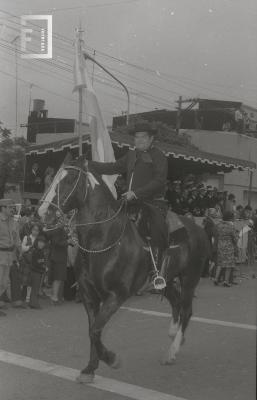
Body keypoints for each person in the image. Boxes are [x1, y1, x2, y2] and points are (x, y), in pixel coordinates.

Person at [88, 122, 168, 257]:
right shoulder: (131, 155)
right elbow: (113, 167)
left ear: (151, 138)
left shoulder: (158, 155)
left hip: (152, 203)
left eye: (143, 137)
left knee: (157, 230)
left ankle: (157, 263)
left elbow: (159, 181)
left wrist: (136, 193)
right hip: (129, 202)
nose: (139, 140)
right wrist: (89, 164)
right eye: (137, 137)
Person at [0, 198, 21, 316]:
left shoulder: (13, 221)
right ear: (3, 208)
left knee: (3, 283)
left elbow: (16, 238)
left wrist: (20, 250)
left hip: (9, 256)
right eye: (9, 207)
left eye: (12, 207)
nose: (12, 209)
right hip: (0, 254)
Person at [213, 211, 238, 287]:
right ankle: (226, 281)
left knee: (220, 263)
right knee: (229, 264)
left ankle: (216, 279)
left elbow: (215, 235)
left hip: (220, 246)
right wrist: (238, 236)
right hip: (229, 247)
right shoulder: (231, 226)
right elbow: (235, 239)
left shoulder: (218, 225)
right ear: (230, 218)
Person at [20, 223, 41, 302]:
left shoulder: (39, 239)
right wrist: (29, 247)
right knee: (24, 279)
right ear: (31, 230)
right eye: (34, 230)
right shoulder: (27, 237)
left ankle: (29, 297)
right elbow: (22, 248)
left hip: (35, 263)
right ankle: (22, 296)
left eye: (37, 230)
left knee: (32, 281)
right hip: (27, 262)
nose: (35, 232)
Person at [29, 235, 47, 309]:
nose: (41, 244)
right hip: (35, 272)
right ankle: (33, 303)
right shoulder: (35, 251)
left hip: (39, 272)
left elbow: (42, 261)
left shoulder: (41, 251)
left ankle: (33, 302)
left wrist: (44, 266)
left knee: (36, 288)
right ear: (36, 242)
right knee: (35, 288)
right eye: (40, 242)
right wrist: (43, 266)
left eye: (43, 242)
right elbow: (36, 263)